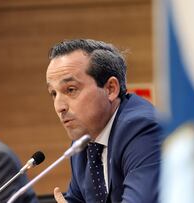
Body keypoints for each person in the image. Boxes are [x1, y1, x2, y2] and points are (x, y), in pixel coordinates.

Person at [46, 39, 162, 203]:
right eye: (53, 94)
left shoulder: (142, 129)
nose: (59, 106)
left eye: (70, 90)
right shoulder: (83, 141)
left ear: (110, 89)